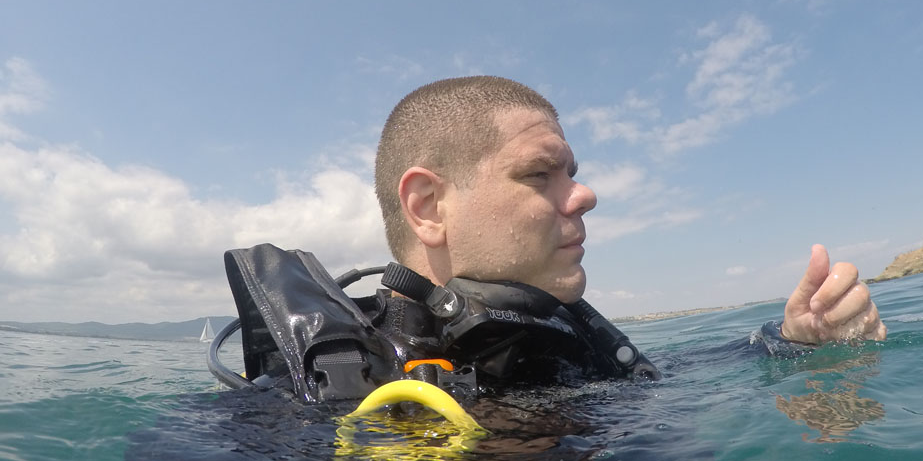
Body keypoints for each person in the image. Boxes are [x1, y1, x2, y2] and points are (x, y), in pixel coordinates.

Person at [374, 75, 885, 352]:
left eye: (571, 173)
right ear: (428, 207)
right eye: (538, 174)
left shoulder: (567, 354)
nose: (585, 195)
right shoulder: (324, 404)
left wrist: (796, 345)